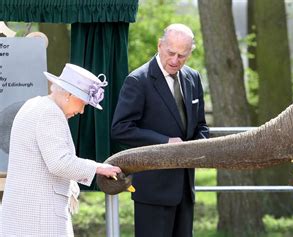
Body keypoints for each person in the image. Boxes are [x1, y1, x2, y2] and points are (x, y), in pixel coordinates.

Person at [0, 63, 122, 236]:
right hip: (41, 218)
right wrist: (98, 167)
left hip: (24, 216)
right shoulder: (50, 113)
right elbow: (59, 163)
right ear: (70, 95)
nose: (81, 111)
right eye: (84, 104)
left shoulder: (33, 104)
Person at [111, 23, 208, 237]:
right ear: (159, 45)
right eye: (171, 53)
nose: (175, 61)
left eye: (182, 56)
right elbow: (120, 129)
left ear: (190, 53)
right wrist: (165, 143)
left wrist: (199, 148)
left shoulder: (194, 78)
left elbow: (201, 125)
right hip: (153, 192)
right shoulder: (138, 80)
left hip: (185, 189)